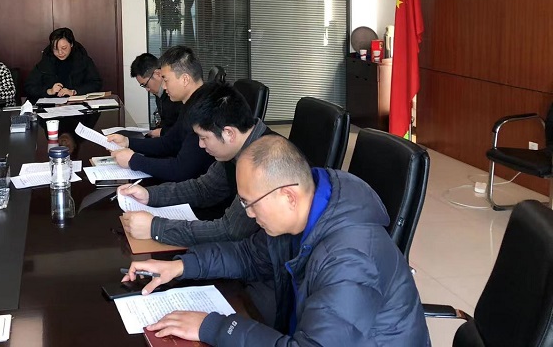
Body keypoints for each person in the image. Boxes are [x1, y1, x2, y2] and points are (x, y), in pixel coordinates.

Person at [124, 135, 430, 347]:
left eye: (250, 203)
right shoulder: (307, 209)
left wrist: (214, 327)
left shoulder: (351, 258)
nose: (249, 213)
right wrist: (181, 266)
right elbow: (248, 256)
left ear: (288, 196)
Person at [118, 83, 279, 246]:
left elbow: (230, 231)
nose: (201, 145)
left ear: (229, 133)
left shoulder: (264, 165)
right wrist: (150, 195)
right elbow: (205, 189)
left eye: (203, 138)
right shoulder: (238, 148)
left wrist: (155, 228)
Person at [107, 46, 214, 182]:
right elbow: (168, 143)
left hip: (197, 185)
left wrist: (133, 160)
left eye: (166, 80)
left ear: (185, 79)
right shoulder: (191, 103)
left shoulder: (204, 111)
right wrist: (127, 142)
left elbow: (181, 170)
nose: (163, 86)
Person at [24, 27, 103, 101]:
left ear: (71, 44)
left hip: (78, 106)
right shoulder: (46, 62)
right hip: (51, 107)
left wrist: (74, 91)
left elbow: (96, 83)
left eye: (64, 48)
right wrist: (49, 91)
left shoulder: (83, 60)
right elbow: (29, 87)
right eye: (55, 49)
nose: (60, 52)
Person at [130, 52, 182, 137]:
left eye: (146, 84)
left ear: (158, 74)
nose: (147, 89)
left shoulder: (176, 95)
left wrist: (160, 132)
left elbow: (181, 130)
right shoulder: (159, 94)